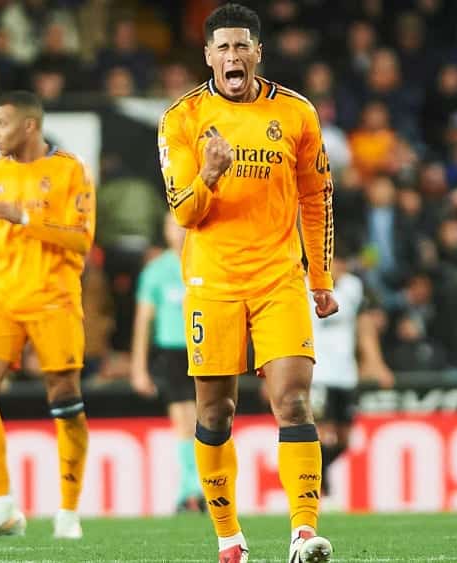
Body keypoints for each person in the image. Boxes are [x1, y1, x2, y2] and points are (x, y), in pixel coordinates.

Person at [157, 4, 337, 562]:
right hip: (212, 282)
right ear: (208, 56)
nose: (232, 56)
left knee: (294, 400)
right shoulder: (181, 119)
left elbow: (317, 197)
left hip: (279, 278)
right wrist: (210, 175)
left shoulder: (297, 113)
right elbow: (184, 213)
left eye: (242, 46)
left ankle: (303, 533)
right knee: (215, 414)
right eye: (223, 48)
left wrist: (320, 277)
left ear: (258, 52)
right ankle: (229, 540)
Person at [0, 91, 96, 542]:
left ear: (29, 126)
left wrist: (26, 219)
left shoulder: (70, 170)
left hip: (54, 298)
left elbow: (82, 239)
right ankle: (3, 506)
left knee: (64, 395)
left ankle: (67, 511)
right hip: (1, 298)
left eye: (1, 123)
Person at [130, 214, 204, 513]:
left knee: (202, 420)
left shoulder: (204, 262)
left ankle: (197, 487)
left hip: (202, 349)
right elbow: (143, 321)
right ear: (165, 231)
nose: (179, 233)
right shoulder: (156, 271)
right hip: (171, 352)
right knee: (182, 422)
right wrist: (138, 368)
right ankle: (191, 488)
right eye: (173, 226)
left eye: (183, 226)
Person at [308, 252, 393, 500]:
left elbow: (364, 328)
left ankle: (320, 477)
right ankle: (318, 489)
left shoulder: (353, 288)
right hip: (316, 373)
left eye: (341, 262)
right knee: (321, 433)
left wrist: (376, 364)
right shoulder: (303, 285)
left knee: (344, 439)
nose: (338, 267)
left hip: (345, 374)